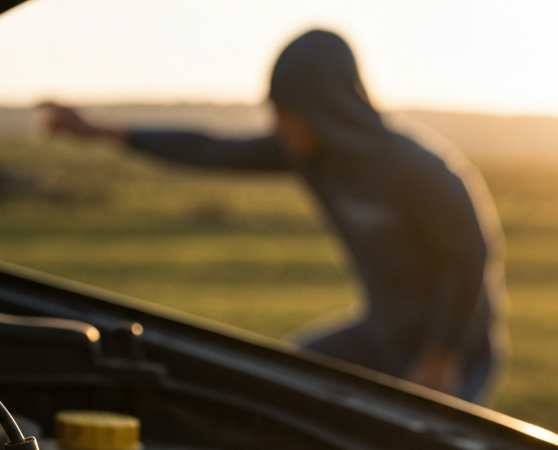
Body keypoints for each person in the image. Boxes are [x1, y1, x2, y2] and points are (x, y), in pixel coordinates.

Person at [44, 29, 506, 403]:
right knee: (285, 379)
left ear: (325, 107)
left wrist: (441, 358)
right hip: (381, 333)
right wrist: (104, 132)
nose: (276, 125)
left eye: (287, 112)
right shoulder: (312, 156)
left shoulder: (420, 170)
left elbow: (468, 261)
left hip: (456, 349)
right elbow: (209, 149)